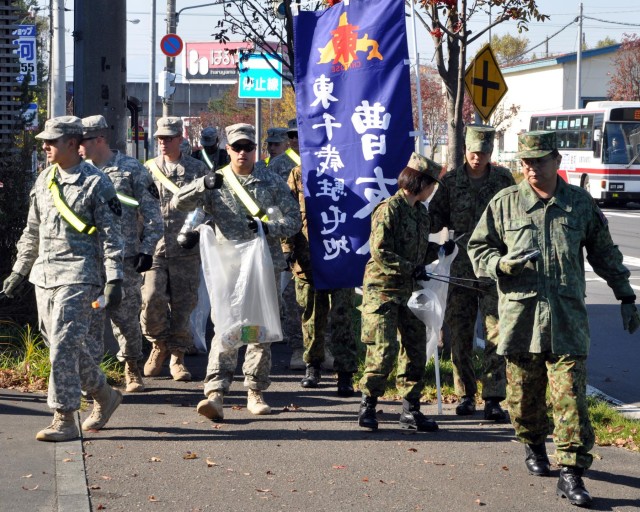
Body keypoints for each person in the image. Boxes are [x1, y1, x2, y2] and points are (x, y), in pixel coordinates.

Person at [468, 130, 640, 507]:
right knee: (523, 397)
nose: (531, 169)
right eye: (526, 163)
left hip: (566, 319)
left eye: (539, 161)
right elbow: (478, 247)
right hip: (520, 318)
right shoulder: (505, 203)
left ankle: (571, 472)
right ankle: (532, 444)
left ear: (557, 162)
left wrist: (626, 295)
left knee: (570, 397)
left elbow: (605, 253)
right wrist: (501, 264)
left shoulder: (578, 204)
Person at [1, 116, 124, 441]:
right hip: (44, 275)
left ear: (72, 143)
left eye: (51, 142)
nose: (45, 147)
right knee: (59, 344)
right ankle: (104, 395)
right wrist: (19, 270)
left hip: (80, 276)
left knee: (64, 347)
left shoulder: (97, 184)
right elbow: (32, 231)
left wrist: (115, 279)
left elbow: (113, 236)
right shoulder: (44, 180)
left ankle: (64, 417)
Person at [172, 123, 301, 420]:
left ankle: (255, 390)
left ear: (255, 149)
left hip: (262, 265)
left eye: (248, 147)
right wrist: (201, 184)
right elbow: (181, 203)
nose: (243, 153)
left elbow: (294, 219)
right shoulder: (217, 181)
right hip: (226, 265)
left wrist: (267, 227)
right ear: (227, 149)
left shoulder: (269, 180)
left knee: (258, 328)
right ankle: (215, 392)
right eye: (237, 147)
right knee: (227, 325)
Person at [358, 153, 451, 432]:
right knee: (384, 350)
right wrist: (413, 268)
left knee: (415, 350)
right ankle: (368, 405)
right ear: (419, 182)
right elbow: (380, 251)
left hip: (408, 291)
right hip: (383, 290)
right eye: (431, 184)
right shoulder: (389, 209)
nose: (433, 189)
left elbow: (419, 250)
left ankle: (410, 410)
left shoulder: (420, 212)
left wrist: (442, 251)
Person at [428, 125, 515, 422]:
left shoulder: (503, 180)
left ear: (492, 153)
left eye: (485, 153)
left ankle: (493, 397)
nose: (478, 158)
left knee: (496, 333)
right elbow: (433, 219)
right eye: (474, 152)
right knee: (461, 333)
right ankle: (466, 393)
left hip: (494, 265)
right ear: (465, 151)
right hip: (461, 266)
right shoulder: (451, 182)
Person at [79, 115, 163, 393]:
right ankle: (93, 376)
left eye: (82, 141)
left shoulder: (130, 169)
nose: (78, 146)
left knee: (125, 317)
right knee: (91, 316)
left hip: (125, 259)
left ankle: (132, 367)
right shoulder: (77, 171)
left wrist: (146, 249)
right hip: (90, 260)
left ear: (99, 139)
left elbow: (153, 213)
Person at [141, 117, 208, 382]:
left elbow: (206, 205)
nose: (164, 143)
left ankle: (177, 356)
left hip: (185, 249)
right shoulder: (147, 170)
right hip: (155, 248)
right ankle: (158, 345)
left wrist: (194, 231)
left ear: (181, 138)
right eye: (160, 138)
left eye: (169, 138)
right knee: (151, 298)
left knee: (184, 304)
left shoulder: (196, 169)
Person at [283, 165, 358, 395]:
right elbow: (289, 211)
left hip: (342, 257)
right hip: (309, 260)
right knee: (312, 316)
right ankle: (312, 365)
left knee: (343, 317)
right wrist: (287, 246)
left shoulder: (349, 166)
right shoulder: (299, 173)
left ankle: (345, 373)